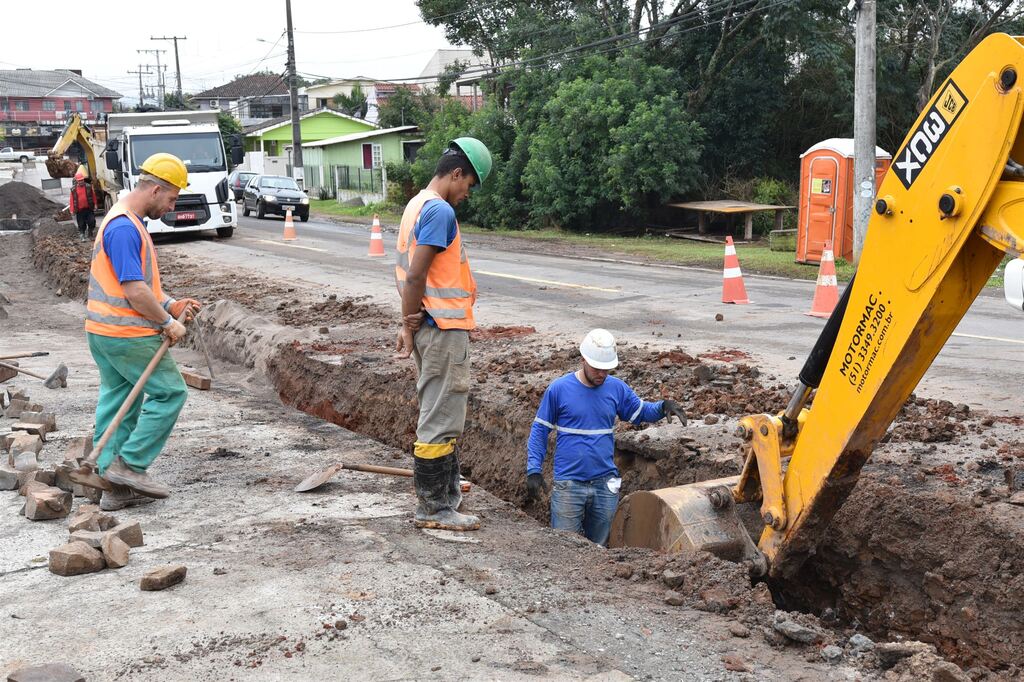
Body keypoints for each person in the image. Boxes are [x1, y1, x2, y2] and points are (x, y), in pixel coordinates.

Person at [85, 152, 202, 511]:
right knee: (170, 393)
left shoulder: (126, 221)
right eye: (172, 197)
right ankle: (131, 466)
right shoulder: (124, 228)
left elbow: (141, 286)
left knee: (119, 400)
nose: (171, 205)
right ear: (154, 189)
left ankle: (109, 483)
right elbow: (134, 291)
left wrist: (169, 305)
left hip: (104, 332)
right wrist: (168, 324)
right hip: (126, 335)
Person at [394, 137, 492, 531]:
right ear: (456, 173)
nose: (467, 194)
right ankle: (433, 508)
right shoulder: (440, 211)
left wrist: (408, 321)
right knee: (440, 416)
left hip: (430, 324)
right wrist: (406, 322)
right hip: (441, 328)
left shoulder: (416, 204)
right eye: (468, 184)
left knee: (440, 411)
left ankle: (446, 493)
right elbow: (416, 274)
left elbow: (422, 273)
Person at [525, 329, 688, 546]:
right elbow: (539, 431)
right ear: (583, 359)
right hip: (569, 486)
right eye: (597, 368)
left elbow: (639, 412)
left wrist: (662, 407)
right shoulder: (559, 389)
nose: (602, 373)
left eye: (606, 369)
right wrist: (534, 470)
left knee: (599, 551)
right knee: (564, 549)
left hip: (604, 485)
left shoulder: (616, 388)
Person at [70, 166, 97, 242]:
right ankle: (82, 235)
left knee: (92, 221)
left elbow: (93, 196)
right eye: (79, 181)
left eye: (82, 180)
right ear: (77, 181)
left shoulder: (88, 187)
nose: (81, 182)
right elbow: (72, 200)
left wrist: (95, 204)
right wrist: (72, 210)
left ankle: (90, 232)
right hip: (79, 210)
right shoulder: (73, 189)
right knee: (81, 224)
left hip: (88, 209)